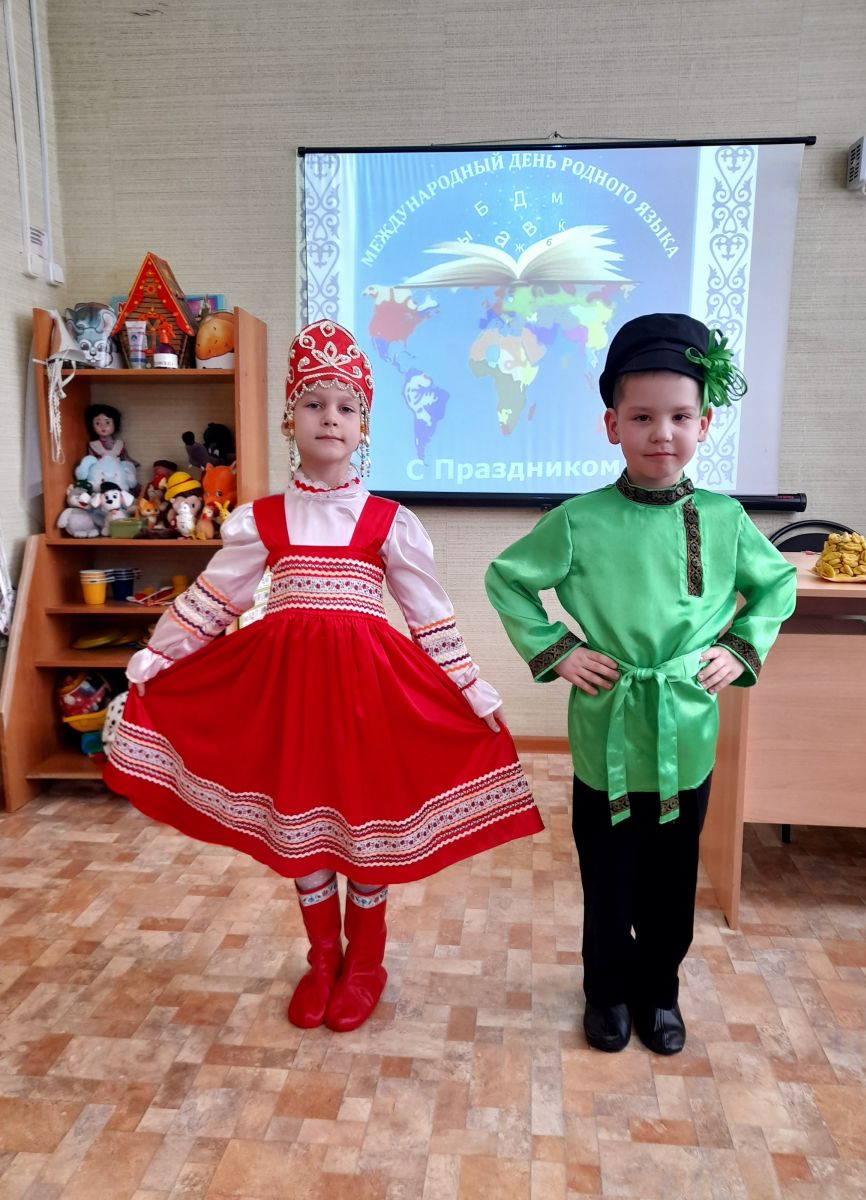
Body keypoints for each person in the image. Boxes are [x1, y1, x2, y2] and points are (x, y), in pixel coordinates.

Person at [105, 319, 542, 1033]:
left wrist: (472, 688)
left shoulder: (389, 521)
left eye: (344, 406)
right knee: (303, 829)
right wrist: (160, 655)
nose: (329, 417)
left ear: (363, 425)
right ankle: (323, 960)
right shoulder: (263, 519)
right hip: (290, 700)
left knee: (364, 831)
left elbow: (429, 617)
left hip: (369, 700)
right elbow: (215, 600)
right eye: (313, 403)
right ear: (290, 420)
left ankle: (365, 964)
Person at [485, 313, 795, 1056]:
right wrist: (559, 650)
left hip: (686, 726)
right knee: (608, 875)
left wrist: (740, 647)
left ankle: (659, 990)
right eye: (643, 417)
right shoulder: (578, 520)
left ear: (704, 424)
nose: (663, 433)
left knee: (671, 876)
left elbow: (776, 584)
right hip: (609, 726)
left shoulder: (722, 519)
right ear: (612, 425)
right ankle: (605, 990)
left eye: (680, 417)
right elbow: (508, 579)